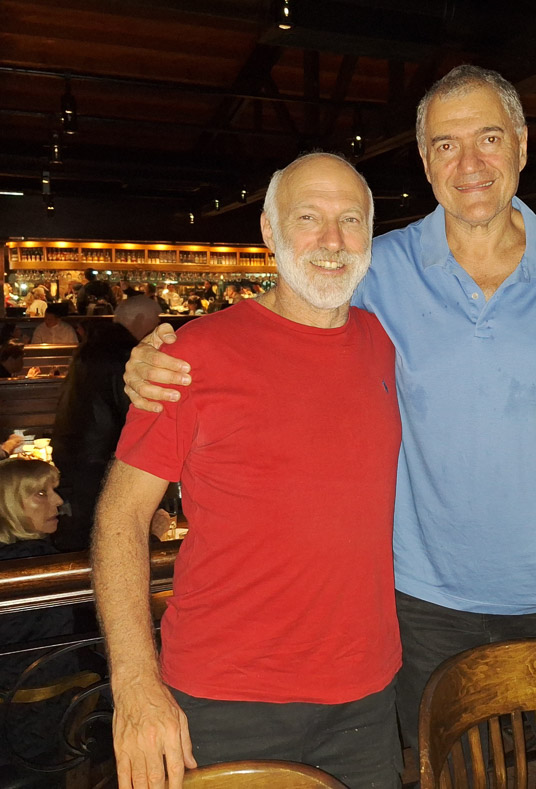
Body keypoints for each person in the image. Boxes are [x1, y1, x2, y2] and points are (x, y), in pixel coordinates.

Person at [121, 65, 536, 758]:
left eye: (489, 138)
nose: (469, 163)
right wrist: (157, 353)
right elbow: (298, 298)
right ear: (426, 163)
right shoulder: (379, 267)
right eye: (445, 145)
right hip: (424, 604)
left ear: (522, 145)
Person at [93, 153, 402, 789]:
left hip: (365, 696)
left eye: (350, 220)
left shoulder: (381, 342)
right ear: (269, 230)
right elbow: (120, 516)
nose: (332, 240)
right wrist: (135, 684)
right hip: (224, 698)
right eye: (308, 218)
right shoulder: (192, 355)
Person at [51, 297, 162, 552]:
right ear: (141, 320)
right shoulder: (125, 355)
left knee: (85, 527)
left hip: (74, 449)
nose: (158, 329)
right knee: (106, 531)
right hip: (100, 458)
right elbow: (136, 414)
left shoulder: (92, 347)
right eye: (156, 322)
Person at [0, 458, 79, 765]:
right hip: (33, 726)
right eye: (42, 494)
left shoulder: (20, 557)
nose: (58, 501)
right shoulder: (39, 567)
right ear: (9, 505)